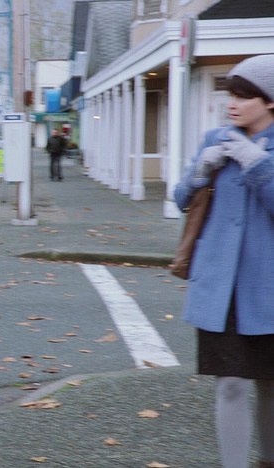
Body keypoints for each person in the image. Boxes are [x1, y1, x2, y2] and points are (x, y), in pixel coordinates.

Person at [174, 54, 274, 468]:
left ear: (270, 101)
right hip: (221, 288)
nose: (233, 104)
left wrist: (259, 165)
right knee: (230, 384)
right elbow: (181, 200)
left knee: (270, 384)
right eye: (230, 95)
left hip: (268, 288)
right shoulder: (216, 139)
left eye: (244, 96)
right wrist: (200, 173)